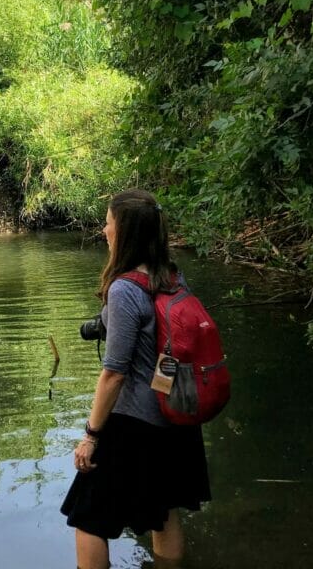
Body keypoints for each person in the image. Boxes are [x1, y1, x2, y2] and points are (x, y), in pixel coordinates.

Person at [61, 189, 211, 569]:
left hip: (133, 426)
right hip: (174, 420)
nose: (104, 230)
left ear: (124, 231)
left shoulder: (125, 289)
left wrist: (91, 437)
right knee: (162, 511)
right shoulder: (174, 278)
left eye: (108, 222)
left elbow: (113, 374)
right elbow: (173, 351)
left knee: (87, 518)